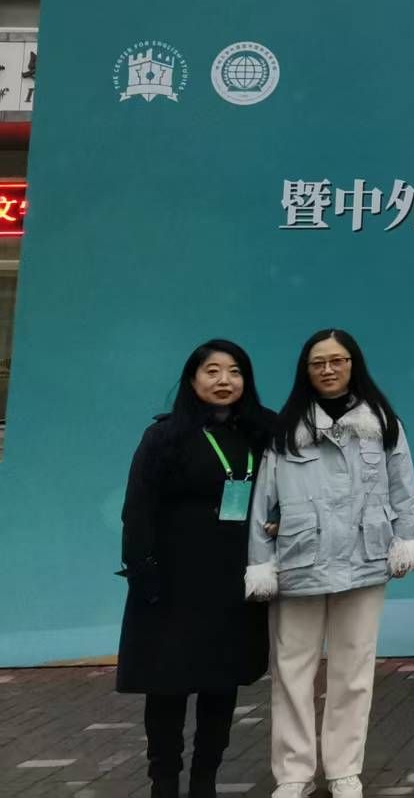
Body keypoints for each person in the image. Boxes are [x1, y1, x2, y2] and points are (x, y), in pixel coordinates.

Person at [245, 329, 414, 798]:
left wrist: (405, 543)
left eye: (338, 360)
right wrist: (261, 563)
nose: (328, 369)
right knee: (291, 671)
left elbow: (404, 488)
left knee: (354, 669)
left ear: (353, 364)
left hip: (363, 560)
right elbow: (263, 501)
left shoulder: (383, 423)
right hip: (299, 561)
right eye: (318, 363)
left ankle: (344, 770)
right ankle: (293, 774)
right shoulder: (285, 430)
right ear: (305, 371)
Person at [117, 339, 274, 798]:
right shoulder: (164, 436)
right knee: (167, 687)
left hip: (232, 582)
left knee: (220, 685)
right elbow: (137, 508)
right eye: (212, 371)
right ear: (192, 379)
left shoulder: (262, 432)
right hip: (171, 583)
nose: (224, 380)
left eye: (235, 371)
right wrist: (143, 570)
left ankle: (205, 781)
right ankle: (164, 782)